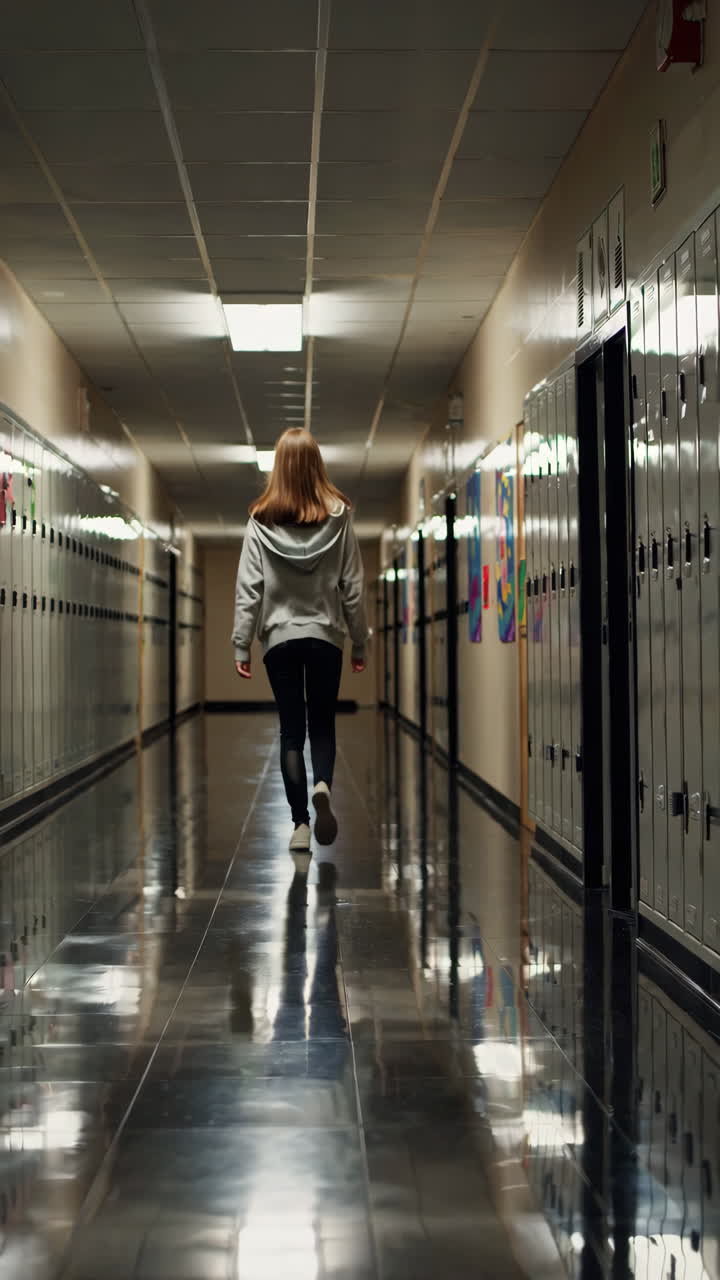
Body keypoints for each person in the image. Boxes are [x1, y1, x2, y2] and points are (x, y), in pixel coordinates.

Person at [232, 428, 369, 854]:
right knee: (322, 723)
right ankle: (323, 783)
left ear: (279, 467)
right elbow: (352, 585)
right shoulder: (340, 515)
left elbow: (249, 587)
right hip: (326, 636)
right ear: (316, 465)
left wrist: (241, 644)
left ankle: (300, 826)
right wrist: (360, 641)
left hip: (279, 640)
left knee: (291, 730)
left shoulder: (259, 519)